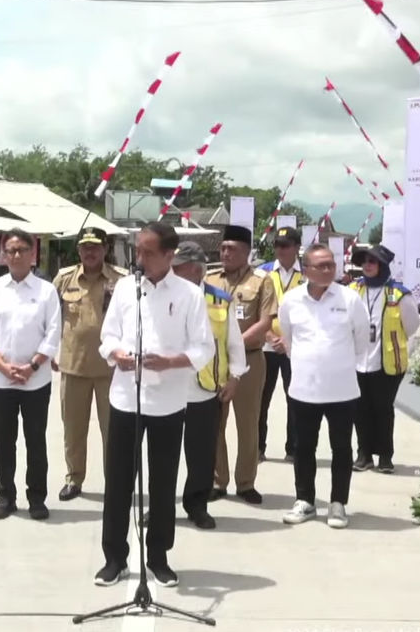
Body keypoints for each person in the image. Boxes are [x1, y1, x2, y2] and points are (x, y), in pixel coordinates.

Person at [95, 223, 215, 588]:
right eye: (137, 251)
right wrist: (116, 353)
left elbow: (203, 348)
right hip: (126, 398)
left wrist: (171, 361)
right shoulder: (125, 290)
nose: (140, 259)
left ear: (169, 255)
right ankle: (114, 558)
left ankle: (158, 557)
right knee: (118, 482)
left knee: (162, 484)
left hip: (168, 401)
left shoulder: (190, 295)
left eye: (148, 252)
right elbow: (108, 336)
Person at [278, 244, 369, 528]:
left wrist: (335, 363)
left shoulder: (350, 298)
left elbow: (362, 340)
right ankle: (305, 501)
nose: (330, 269)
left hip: (342, 390)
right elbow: (288, 339)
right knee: (303, 446)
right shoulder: (291, 300)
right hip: (304, 389)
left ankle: (338, 503)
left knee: (341, 448)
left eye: (332, 264)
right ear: (306, 270)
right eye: (323, 265)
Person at [0, 228, 62, 521]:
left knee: (35, 440)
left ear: (32, 254)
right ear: (3, 255)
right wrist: (2, 365)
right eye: (10, 250)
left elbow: (53, 335)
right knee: (4, 441)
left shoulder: (46, 291)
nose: (15, 255)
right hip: (0, 381)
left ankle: (37, 497)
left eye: (21, 250)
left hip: (36, 381)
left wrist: (33, 366)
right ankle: (6, 496)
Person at [172, 242, 247, 530]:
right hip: (167, 389)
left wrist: (235, 377)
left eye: (178, 266)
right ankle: (162, 506)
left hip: (204, 390)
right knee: (162, 455)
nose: (172, 271)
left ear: (195, 269)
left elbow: (234, 343)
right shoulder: (161, 295)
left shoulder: (220, 300)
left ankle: (197, 505)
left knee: (202, 454)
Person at [51, 227, 127, 501]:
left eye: (95, 246)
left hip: (112, 370)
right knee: (73, 429)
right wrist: (48, 350)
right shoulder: (64, 279)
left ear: (105, 249)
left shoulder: (122, 281)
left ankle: (116, 482)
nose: (90, 252)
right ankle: (74, 478)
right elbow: (49, 318)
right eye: (85, 247)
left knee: (114, 432)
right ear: (78, 250)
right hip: (73, 367)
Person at [205, 225, 275, 504]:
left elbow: (266, 321)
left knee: (248, 423)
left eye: (231, 249)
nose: (225, 253)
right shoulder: (210, 279)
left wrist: (233, 344)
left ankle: (246, 482)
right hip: (214, 364)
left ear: (247, 252)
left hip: (250, 360)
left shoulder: (262, 281)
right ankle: (217, 481)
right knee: (214, 424)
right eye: (223, 248)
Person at [348, 244, 420, 474]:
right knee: (360, 409)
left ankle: (386, 457)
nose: (367, 265)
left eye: (373, 261)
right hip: (358, 361)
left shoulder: (399, 293)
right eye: (364, 261)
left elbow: (412, 325)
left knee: (382, 408)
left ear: (382, 265)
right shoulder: (353, 289)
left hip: (387, 362)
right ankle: (364, 454)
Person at [258, 227, 305, 462]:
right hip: (266, 346)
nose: (280, 250)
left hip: (295, 348)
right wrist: (268, 334)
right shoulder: (262, 273)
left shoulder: (307, 275)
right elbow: (253, 309)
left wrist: (288, 340)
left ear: (297, 247)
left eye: (285, 245)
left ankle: (293, 448)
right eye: (277, 245)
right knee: (260, 399)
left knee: (295, 399)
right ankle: (258, 448)